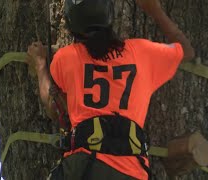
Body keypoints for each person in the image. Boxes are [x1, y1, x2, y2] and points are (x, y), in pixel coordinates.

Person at [27, 0, 195, 179]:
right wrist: (155, 11)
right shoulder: (142, 53)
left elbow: (55, 109)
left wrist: (40, 65)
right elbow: (186, 51)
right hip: (130, 171)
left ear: (71, 26)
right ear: (108, 16)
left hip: (83, 167)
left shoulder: (66, 58)